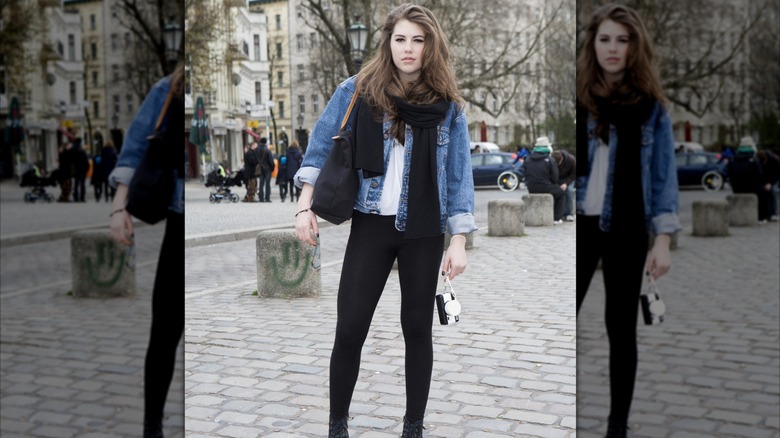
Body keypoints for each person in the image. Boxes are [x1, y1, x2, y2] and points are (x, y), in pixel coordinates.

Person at [293, 4, 476, 437]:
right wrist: (304, 206)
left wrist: (459, 240)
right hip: (371, 223)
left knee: (417, 328)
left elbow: (458, 176)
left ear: (431, 45)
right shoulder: (358, 89)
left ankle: (414, 426)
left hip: (424, 230)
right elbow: (320, 148)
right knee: (351, 325)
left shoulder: (447, 106)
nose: (408, 49)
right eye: (401, 39)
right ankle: (338, 423)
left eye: (418, 40)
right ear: (387, 41)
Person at [575, 4, 681, 437]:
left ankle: (617, 426)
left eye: (623, 39)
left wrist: (663, 239)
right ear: (593, 44)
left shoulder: (651, 108)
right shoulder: (579, 97)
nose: (613, 48)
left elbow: (663, 177)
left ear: (635, 47)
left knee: (621, 330)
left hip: (627, 229)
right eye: (605, 39)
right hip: (579, 225)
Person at [107, 64, 184, 438]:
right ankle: (151, 426)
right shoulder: (168, 88)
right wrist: (119, 209)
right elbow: (136, 146)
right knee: (165, 332)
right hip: (178, 222)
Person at [728, 137, 771, 222]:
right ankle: (762, 217)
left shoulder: (733, 158)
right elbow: (759, 175)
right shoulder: (753, 159)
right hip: (751, 187)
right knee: (764, 193)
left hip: (736, 187)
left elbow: (730, 173)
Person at [524, 136, 566, 223]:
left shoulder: (528, 159)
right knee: (560, 193)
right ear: (547, 148)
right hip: (545, 187)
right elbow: (555, 177)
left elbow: (526, 174)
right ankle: (556, 218)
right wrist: (554, 183)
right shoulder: (550, 159)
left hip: (531, 188)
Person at [552, 149, 576, 221]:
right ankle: (558, 213)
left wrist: (566, 183)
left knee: (569, 191)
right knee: (557, 191)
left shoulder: (571, 160)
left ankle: (569, 213)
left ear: (562, 158)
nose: (557, 165)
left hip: (569, 178)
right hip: (557, 179)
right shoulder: (552, 160)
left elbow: (574, 174)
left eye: (558, 163)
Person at [756, 148, 780, 221]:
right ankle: (765, 213)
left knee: (773, 191)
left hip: (775, 179)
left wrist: (770, 183)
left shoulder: (774, 161)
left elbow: (776, 174)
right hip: (765, 181)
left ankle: (774, 213)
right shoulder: (759, 161)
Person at [255, 137, 275, 202]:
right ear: (265, 142)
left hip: (260, 168)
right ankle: (267, 198)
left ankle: (261, 198)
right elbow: (271, 161)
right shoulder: (267, 150)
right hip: (267, 169)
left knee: (261, 183)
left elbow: (255, 160)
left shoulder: (256, 150)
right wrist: (272, 168)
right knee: (267, 184)